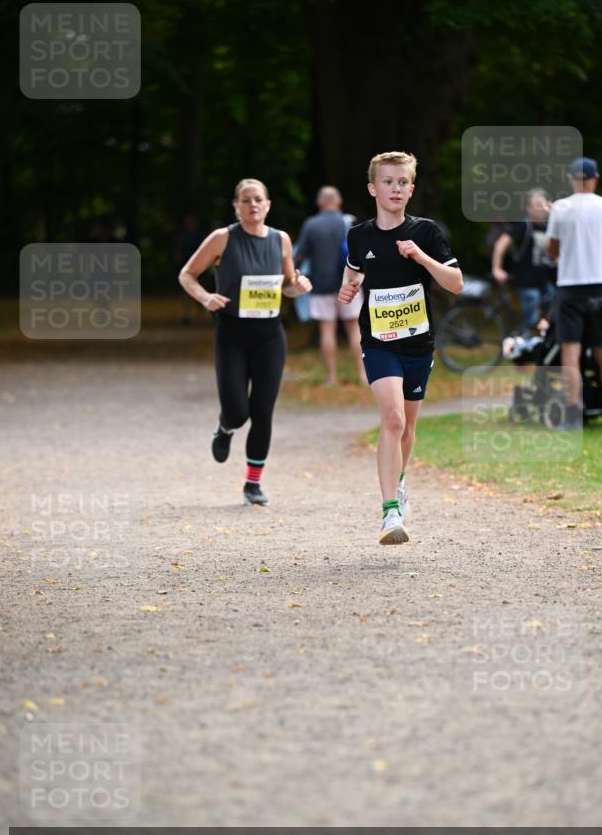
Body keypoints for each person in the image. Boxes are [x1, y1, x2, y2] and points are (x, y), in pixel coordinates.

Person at [338, 151, 463, 545]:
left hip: (418, 344)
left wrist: (420, 256)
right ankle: (390, 511)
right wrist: (348, 286)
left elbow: (456, 282)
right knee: (391, 419)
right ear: (373, 188)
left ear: (411, 188)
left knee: (408, 426)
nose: (396, 188)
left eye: (403, 182)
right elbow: (355, 268)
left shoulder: (426, 232)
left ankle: (401, 478)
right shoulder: (359, 235)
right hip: (378, 342)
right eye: (388, 181)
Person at [178, 178, 311, 505]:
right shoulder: (222, 238)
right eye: (246, 200)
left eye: (259, 200)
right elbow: (187, 274)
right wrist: (205, 297)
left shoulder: (281, 240)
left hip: (269, 335)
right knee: (238, 412)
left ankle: (253, 484)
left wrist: (300, 287)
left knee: (263, 410)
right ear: (236, 206)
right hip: (232, 333)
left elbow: (288, 285)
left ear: (268, 205)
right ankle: (225, 428)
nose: (253, 205)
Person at [545, 157, 602, 433]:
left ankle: (572, 414)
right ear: (595, 178)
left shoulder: (560, 208)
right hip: (600, 283)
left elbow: (553, 248)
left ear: (571, 179)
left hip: (570, 285)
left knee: (570, 350)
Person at [295, 186, 365, 385]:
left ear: (319, 203)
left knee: (327, 331)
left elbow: (300, 254)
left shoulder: (311, 225)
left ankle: (332, 377)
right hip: (349, 284)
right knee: (355, 331)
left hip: (321, 285)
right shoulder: (349, 222)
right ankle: (363, 376)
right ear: (338, 201)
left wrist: (295, 273)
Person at [491, 189, 556, 336]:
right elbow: (500, 244)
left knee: (555, 307)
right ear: (528, 209)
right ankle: (522, 344)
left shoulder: (549, 228)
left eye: (543, 204)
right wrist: (497, 268)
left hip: (544, 281)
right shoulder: (524, 226)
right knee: (530, 319)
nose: (541, 208)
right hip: (527, 282)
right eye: (537, 204)